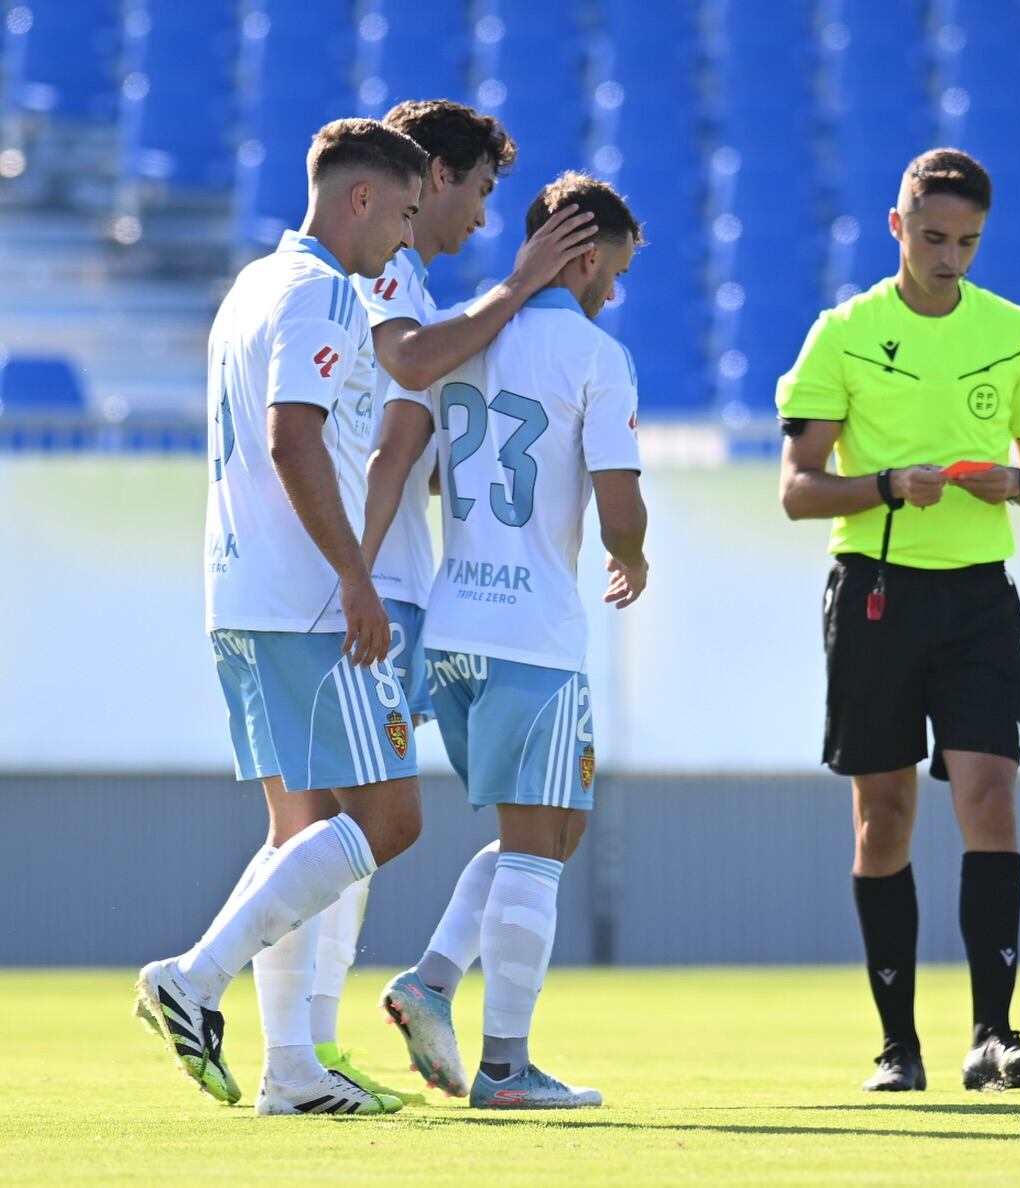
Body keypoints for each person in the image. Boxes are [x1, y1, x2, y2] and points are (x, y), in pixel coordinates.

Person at [134, 118, 428, 1117]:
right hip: (307, 597)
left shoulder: (251, 286)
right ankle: (195, 976)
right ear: (359, 199)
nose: (403, 236)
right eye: (401, 212)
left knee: (298, 832)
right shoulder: (320, 293)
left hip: (241, 592)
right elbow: (293, 439)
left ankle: (290, 1067)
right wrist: (355, 576)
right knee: (390, 819)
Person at [305, 99, 597, 1095]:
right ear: (432, 178)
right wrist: (355, 576)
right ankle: (262, 1024)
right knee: (353, 819)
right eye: (476, 190)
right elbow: (409, 376)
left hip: (378, 579)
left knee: (517, 824)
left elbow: (407, 443)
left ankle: (335, 1034)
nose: (480, 216)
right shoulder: (387, 272)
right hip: (357, 581)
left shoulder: (404, 277)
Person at [776, 148, 1020, 1092]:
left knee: (989, 798)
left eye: (969, 242)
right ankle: (898, 1048)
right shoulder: (843, 332)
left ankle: (993, 1036)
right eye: (935, 238)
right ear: (897, 226)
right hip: (877, 591)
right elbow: (797, 490)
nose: (951, 258)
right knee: (883, 817)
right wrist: (889, 487)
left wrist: (1015, 483)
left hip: (981, 596)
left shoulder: (1013, 330)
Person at [362, 171, 648, 1109]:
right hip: (534, 632)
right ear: (591, 254)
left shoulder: (464, 335)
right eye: (617, 271)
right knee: (537, 848)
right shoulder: (597, 355)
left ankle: (433, 981)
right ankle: (505, 1069)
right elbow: (619, 505)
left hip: (452, 632)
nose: (615, 290)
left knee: (556, 831)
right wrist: (634, 557)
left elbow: (427, 470)